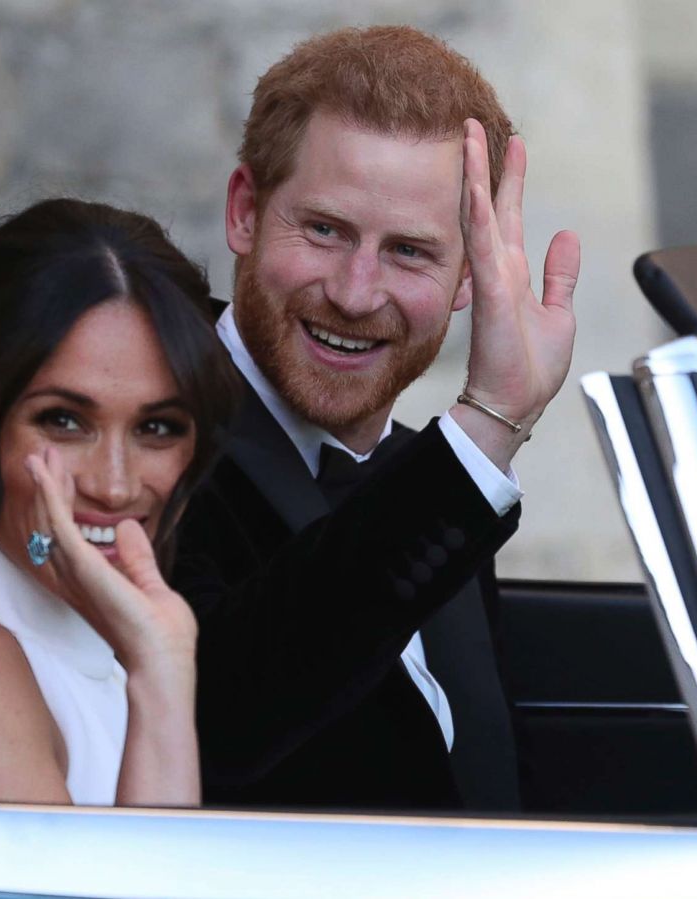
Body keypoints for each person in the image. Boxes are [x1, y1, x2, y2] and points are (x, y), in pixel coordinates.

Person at [173, 26, 581, 811]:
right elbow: (220, 721)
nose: (357, 293)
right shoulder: (150, 438)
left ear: (469, 278)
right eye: (325, 230)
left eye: (409, 252)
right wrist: (491, 422)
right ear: (245, 213)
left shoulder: (430, 475)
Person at [0, 198, 240, 806]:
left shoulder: (95, 638)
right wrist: (159, 676)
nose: (114, 485)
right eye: (64, 421)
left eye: (157, 428)